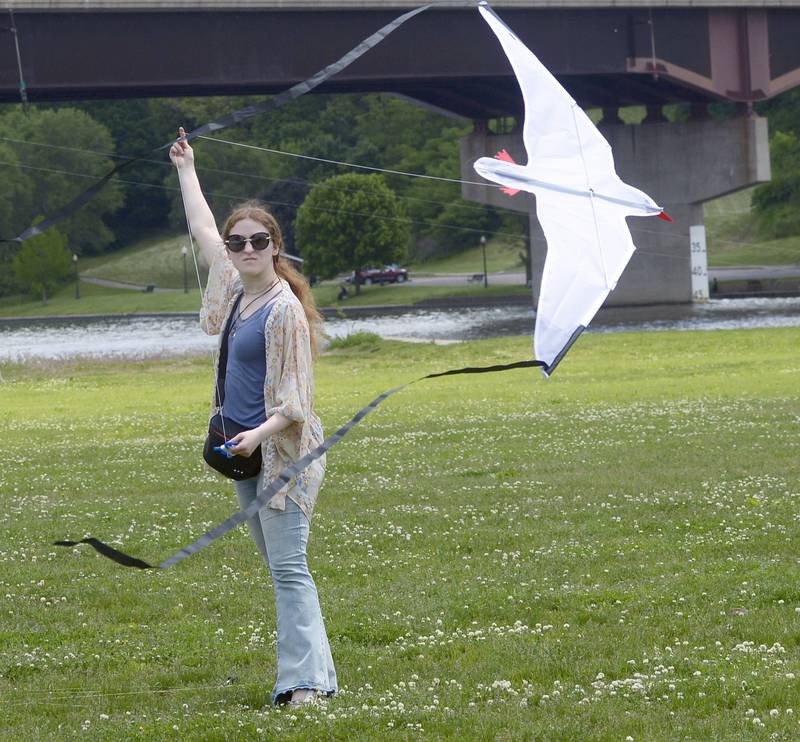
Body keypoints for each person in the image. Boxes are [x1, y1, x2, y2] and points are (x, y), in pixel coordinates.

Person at [169, 127, 336, 708]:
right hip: (243, 451)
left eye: (256, 242)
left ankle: (304, 685)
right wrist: (188, 169)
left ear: (275, 246)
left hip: (282, 455)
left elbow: (295, 405)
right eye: (238, 243)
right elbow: (202, 230)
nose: (243, 250)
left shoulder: (283, 311)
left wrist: (255, 438)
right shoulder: (239, 292)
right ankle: (318, 674)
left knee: (289, 569)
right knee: (285, 571)